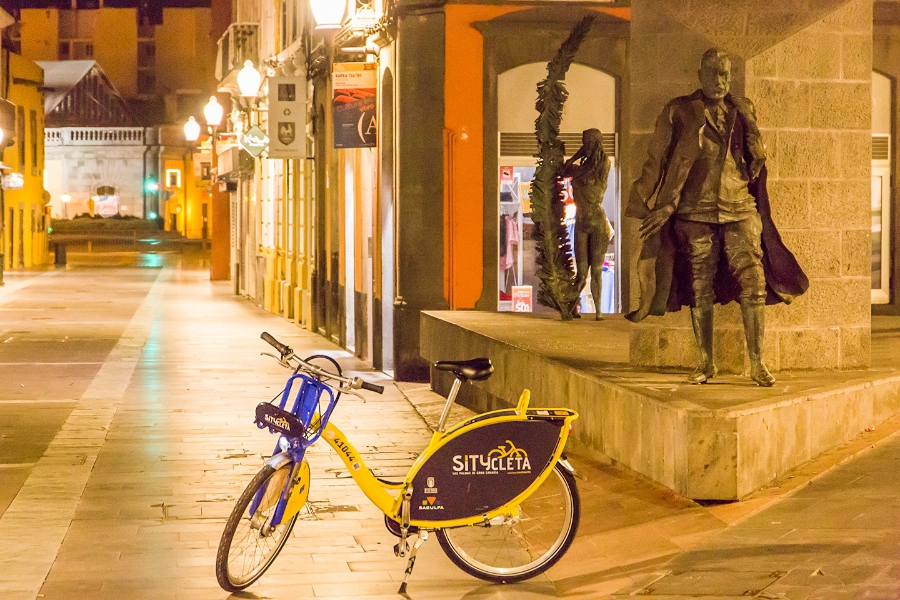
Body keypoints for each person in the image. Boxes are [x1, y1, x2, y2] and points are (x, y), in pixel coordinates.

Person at [625, 48, 808, 387]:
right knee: (700, 287)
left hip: (739, 208)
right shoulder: (679, 111)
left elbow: (755, 162)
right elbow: (656, 160)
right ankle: (705, 363)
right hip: (694, 210)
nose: (721, 81)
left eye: (726, 74)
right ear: (700, 74)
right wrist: (649, 203)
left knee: (753, 283)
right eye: (714, 74)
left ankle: (757, 363)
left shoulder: (743, 110)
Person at [561, 128, 611, 320]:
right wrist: (573, 159)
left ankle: (598, 312)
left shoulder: (603, 163)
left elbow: (597, 194)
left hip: (597, 223)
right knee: (581, 273)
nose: (586, 146)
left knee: (596, 270)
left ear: (595, 143)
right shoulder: (583, 166)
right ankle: (570, 308)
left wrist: (579, 179)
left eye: (588, 142)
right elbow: (565, 170)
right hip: (581, 222)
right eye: (584, 143)